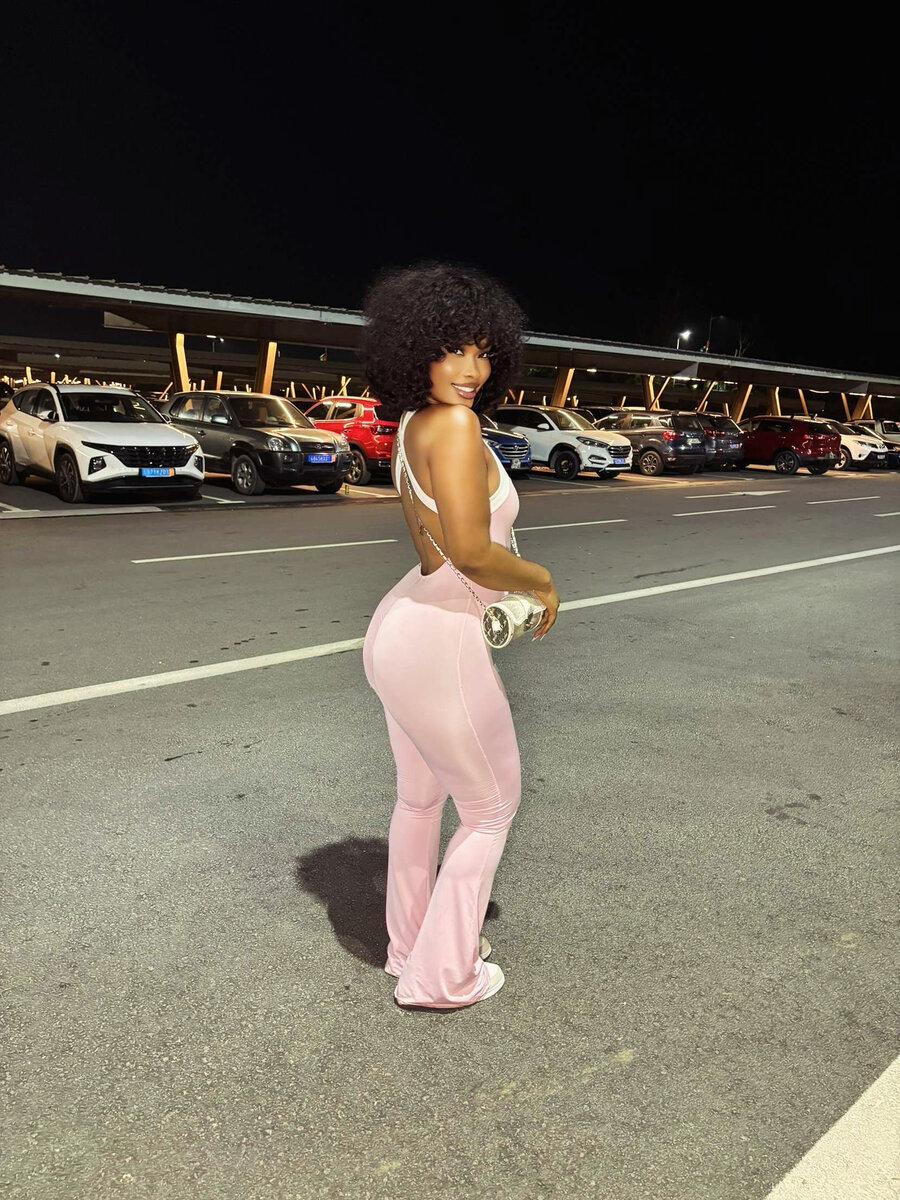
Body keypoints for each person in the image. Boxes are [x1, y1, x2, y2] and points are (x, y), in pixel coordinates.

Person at [361, 264, 560, 1009]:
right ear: (417, 350)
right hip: (438, 637)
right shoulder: (453, 425)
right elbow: (472, 552)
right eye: (454, 350)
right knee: (490, 807)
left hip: (399, 630)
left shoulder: (415, 422)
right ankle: (445, 977)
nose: (471, 370)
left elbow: (439, 546)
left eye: (483, 352)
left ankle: (410, 947)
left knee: (420, 802)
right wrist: (541, 580)